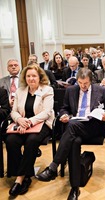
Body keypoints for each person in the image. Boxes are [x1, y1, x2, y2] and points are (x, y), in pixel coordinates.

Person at [36, 68, 105, 200]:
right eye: (80, 83)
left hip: (94, 127)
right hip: (75, 127)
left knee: (71, 127)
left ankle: (53, 167)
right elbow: (64, 108)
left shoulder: (101, 90)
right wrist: (64, 115)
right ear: (77, 81)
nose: (83, 86)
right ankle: (75, 188)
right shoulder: (71, 90)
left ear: (91, 81)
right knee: (74, 141)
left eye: (86, 83)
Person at [6, 64, 55, 196]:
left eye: (34, 75)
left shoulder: (47, 90)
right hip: (22, 124)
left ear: (39, 77)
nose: (31, 78)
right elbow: (14, 111)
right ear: (24, 77)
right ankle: (26, 175)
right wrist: (19, 120)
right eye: (28, 76)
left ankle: (20, 178)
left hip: (41, 123)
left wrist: (29, 122)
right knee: (11, 140)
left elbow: (46, 112)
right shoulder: (20, 91)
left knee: (32, 140)